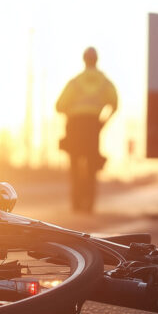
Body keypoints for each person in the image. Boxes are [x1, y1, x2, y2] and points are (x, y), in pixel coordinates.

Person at [56, 47, 118, 213]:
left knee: (75, 164)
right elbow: (115, 103)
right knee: (91, 166)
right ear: (96, 60)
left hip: (75, 126)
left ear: (84, 60)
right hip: (93, 126)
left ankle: (76, 204)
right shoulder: (104, 81)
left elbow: (59, 105)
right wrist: (102, 123)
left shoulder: (76, 81)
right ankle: (89, 204)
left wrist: (69, 114)